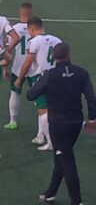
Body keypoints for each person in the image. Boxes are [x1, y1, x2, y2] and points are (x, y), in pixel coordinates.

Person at [27, 42, 96, 205]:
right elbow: (91, 97)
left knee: (67, 161)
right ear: (68, 54)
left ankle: (77, 202)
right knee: (61, 155)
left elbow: (31, 95)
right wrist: (92, 119)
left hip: (58, 124)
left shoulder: (50, 75)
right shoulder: (82, 73)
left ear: (53, 57)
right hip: (75, 123)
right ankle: (50, 194)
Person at [15, 17, 63, 151]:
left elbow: (28, 62)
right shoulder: (57, 40)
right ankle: (41, 135)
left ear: (31, 29)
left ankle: (51, 142)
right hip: (57, 76)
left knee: (43, 110)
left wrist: (19, 79)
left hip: (42, 78)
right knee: (52, 108)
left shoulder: (34, 42)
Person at [2, 1, 33, 129]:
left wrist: (5, 68)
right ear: (31, 13)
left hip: (18, 65)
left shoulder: (14, 29)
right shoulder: (35, 28)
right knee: (38, 95)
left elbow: (6, 50)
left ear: (20, 12)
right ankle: (43, 121)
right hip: (33, 66)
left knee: (15, 92)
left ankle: (12, 121)